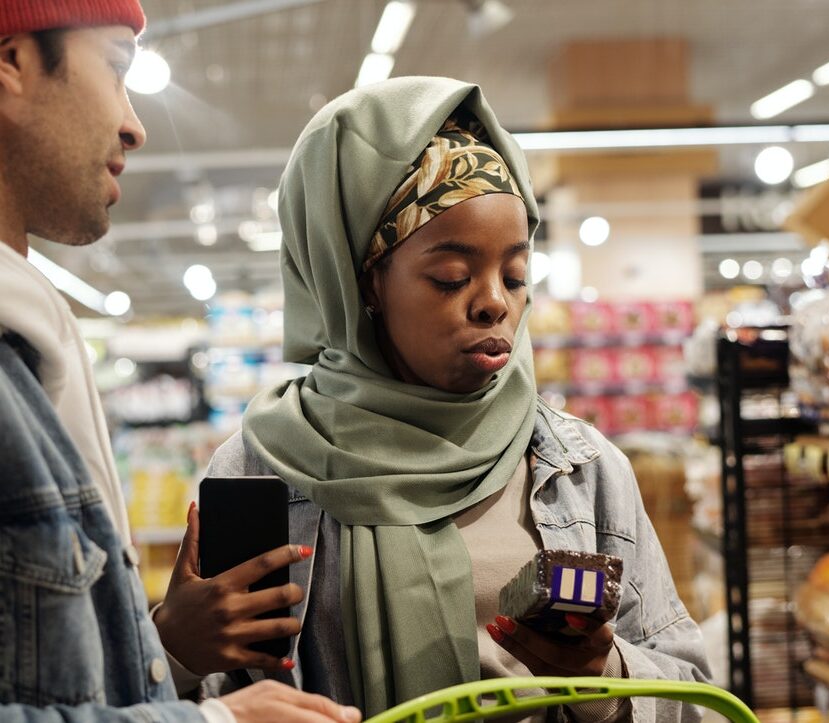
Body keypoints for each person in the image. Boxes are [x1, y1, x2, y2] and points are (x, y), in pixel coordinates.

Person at [197, 76, 710, 721]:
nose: (496, 301)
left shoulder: (580, 467)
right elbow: (217, 697)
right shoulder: (259, 471)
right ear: (362, 282)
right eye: (451, 277)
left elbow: (698, 695)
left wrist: (605, 680)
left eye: (517, 274)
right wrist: (178, 653)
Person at [0, 3, 362, 721]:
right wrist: (212, 719)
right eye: (115, 67)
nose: (134, 124)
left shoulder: (28, 338)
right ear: (11, 61)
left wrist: (167, 650)